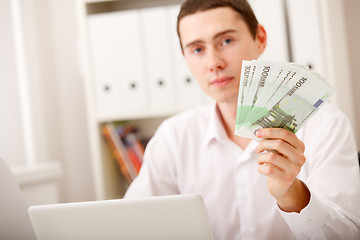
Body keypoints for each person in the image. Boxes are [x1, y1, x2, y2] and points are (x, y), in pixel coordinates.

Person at [124, 0, 360, 239]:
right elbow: (131, 227)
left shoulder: (326, 126)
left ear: (260, 38)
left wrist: (292, 194)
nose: (214, 63)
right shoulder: (173, 137)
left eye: (226, 41)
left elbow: (348, 235)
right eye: (197, 49)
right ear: (184, 56)